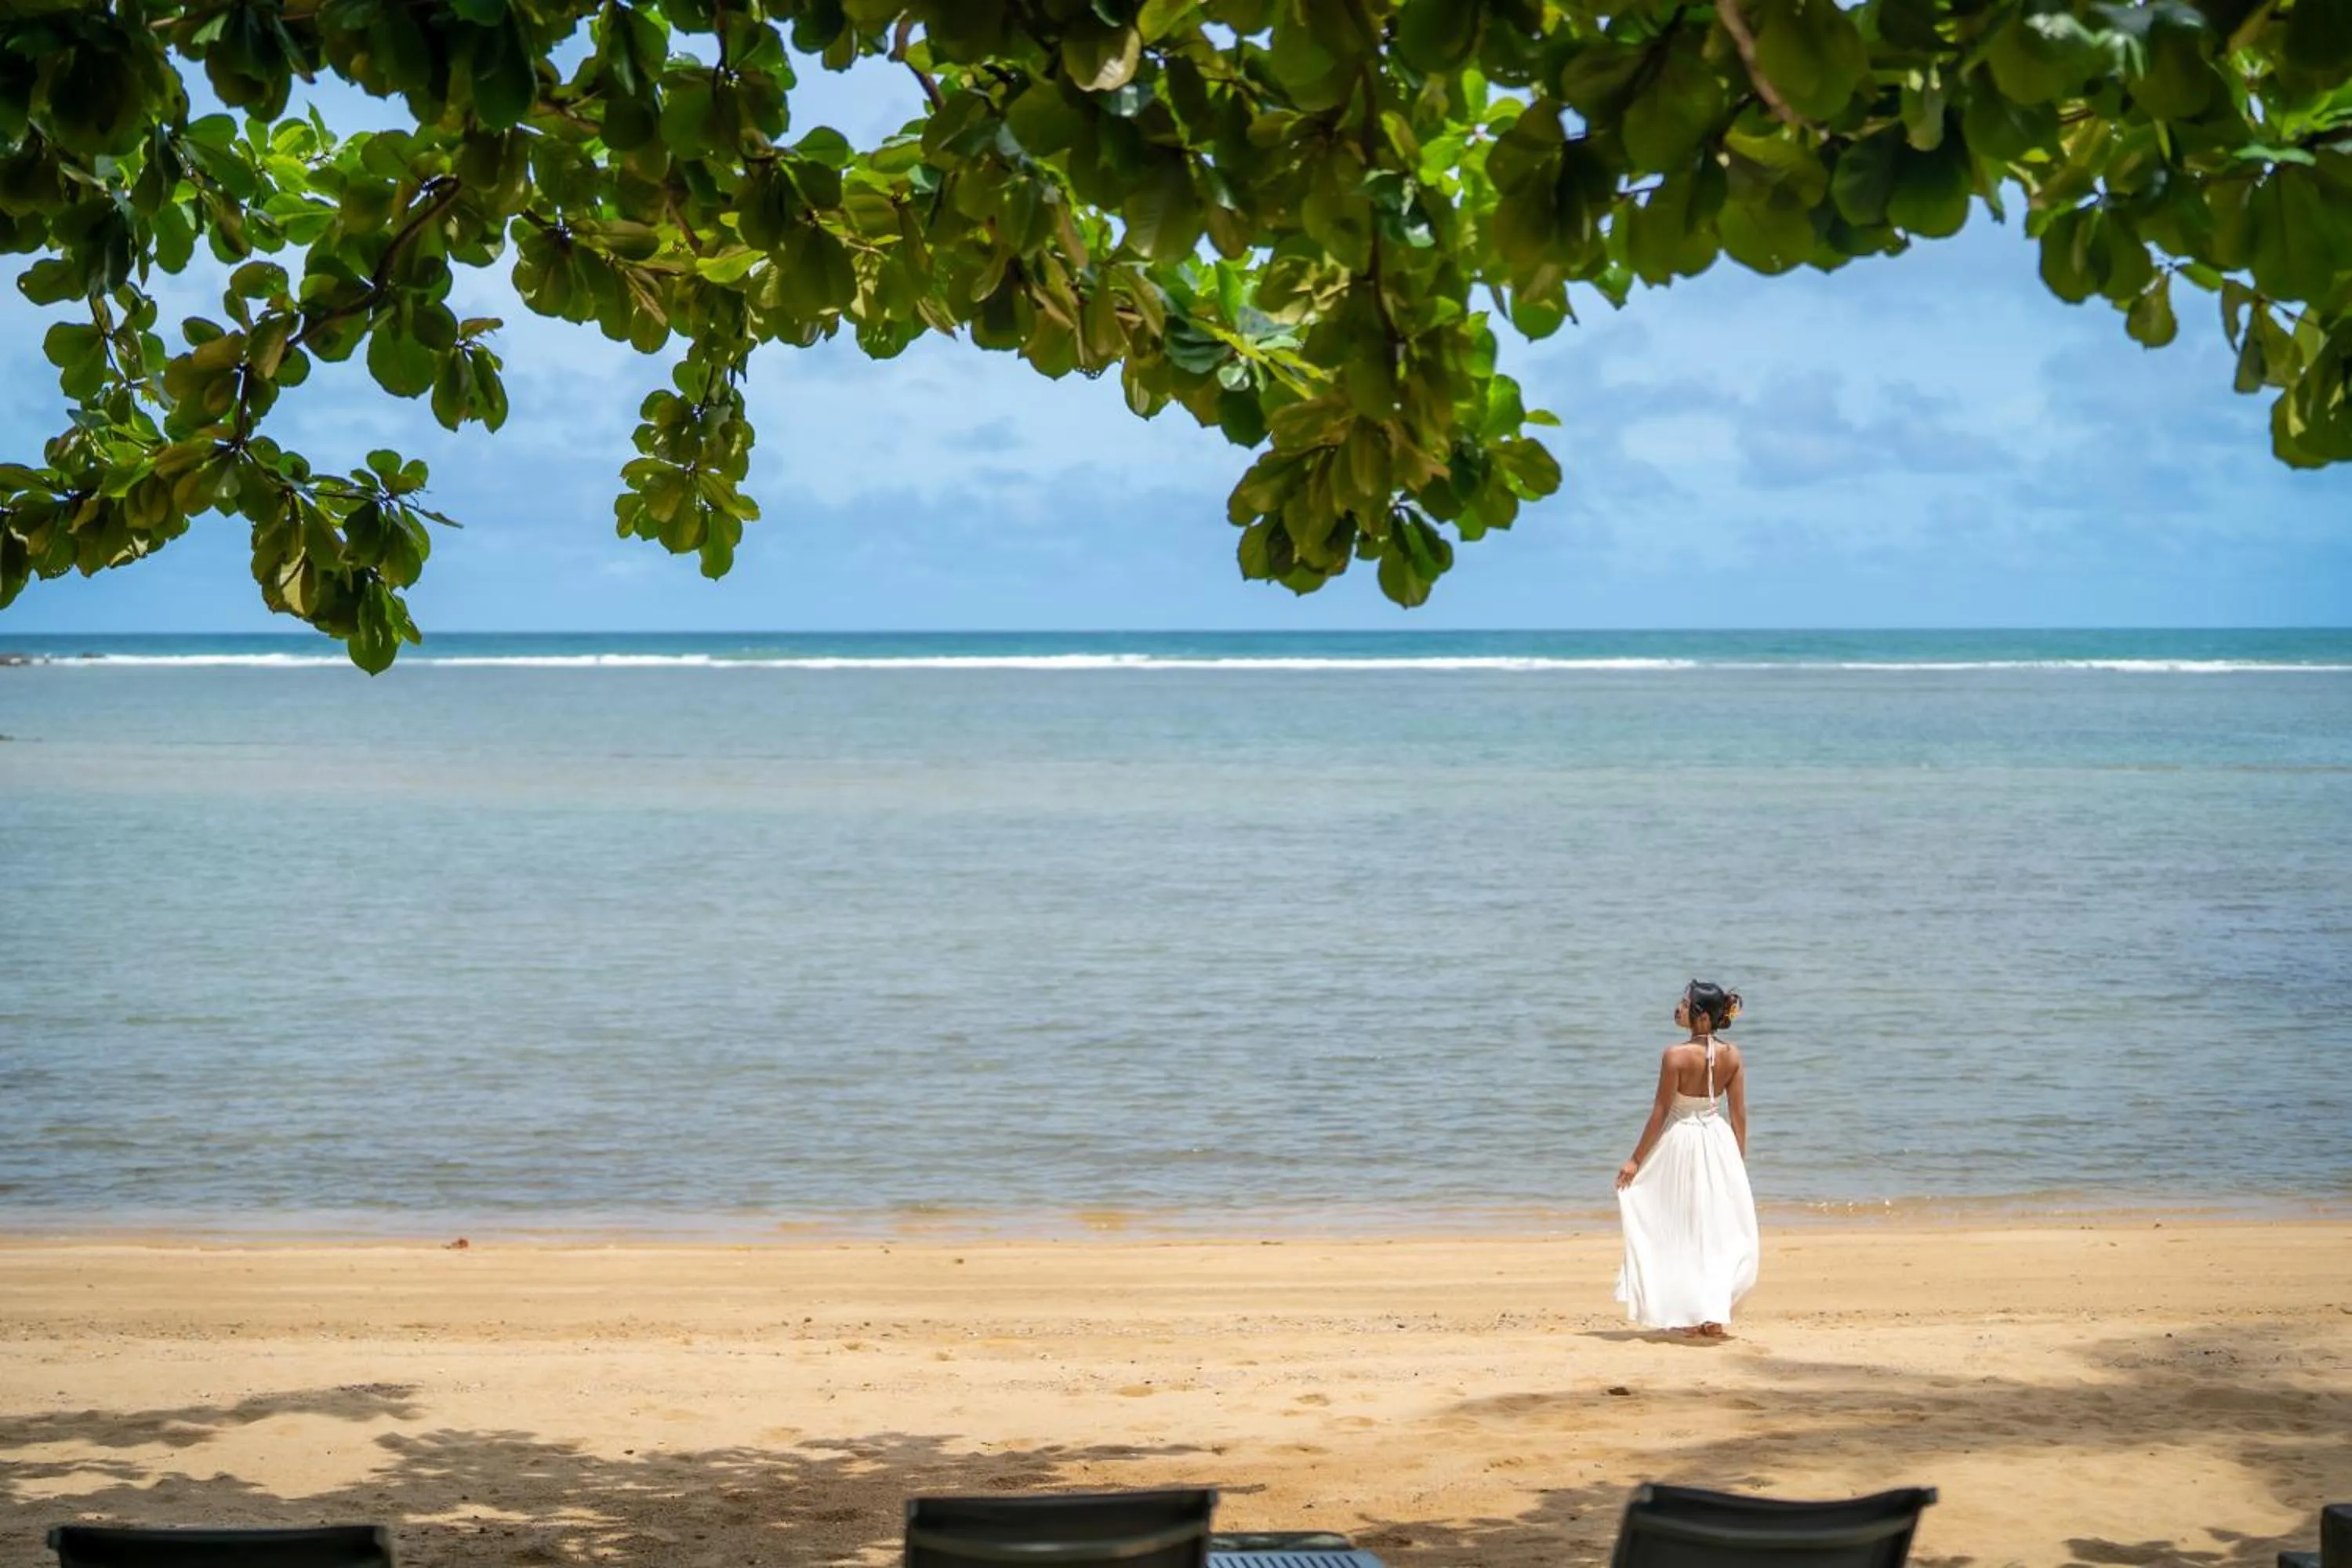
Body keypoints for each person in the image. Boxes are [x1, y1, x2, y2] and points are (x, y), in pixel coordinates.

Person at [1613, 979, 1759, 1338]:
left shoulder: (1674, 1056)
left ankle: (1692, 1314)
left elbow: (1661, 1112)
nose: (1677, 1009)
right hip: (1718, 1142)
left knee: (1680, 1224)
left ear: (1701, 1017)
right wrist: (1737, 1158)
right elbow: (1739, 1115)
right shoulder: (1733, 1056)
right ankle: (1712, 1316)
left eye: (1683, 1004)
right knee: (1715, 1226)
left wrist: (1635, 1160)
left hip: (1681, 1144)